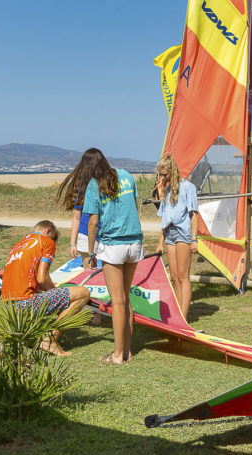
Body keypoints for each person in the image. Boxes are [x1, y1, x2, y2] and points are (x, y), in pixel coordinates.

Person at [82, 148, 143, 365]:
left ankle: (117, 356)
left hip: (113, 245)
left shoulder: (94, 184)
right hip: (134, 242)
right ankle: (127, 351)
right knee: (125, 299)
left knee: (117, 301)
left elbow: (92, 223)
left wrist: (91, 253)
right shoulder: (126, 175)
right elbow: (134, 208)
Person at [0, 220, 91, 357]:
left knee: (45, 294)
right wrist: (55, 291)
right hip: (26, 304)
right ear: (47, 231)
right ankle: (50, 340)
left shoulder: (18, 245)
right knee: (83, 293)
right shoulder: (46, 242)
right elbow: (42, 278)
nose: (52, 242)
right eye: (52, 238)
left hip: (8, 307)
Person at [153, 155, 199, 319]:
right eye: (160, 175)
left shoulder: (188, 187)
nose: (162, 177)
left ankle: (183, 318)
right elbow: (164, 216)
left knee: (182, 276)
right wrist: (160, 242)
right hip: (170, 234)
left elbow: (194, 215)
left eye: (165, 174)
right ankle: (178, 315)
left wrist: (194, 240)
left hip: (183, 234)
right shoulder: (166, 190)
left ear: (172, 171)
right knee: (173, 277)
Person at [56, 150, 99, 269]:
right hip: (86, 233)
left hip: (104, 234)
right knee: (89, 269)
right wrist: (72, 243)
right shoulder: (83, 188)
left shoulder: (106, 185)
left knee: (99, 271)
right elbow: (76, 216)